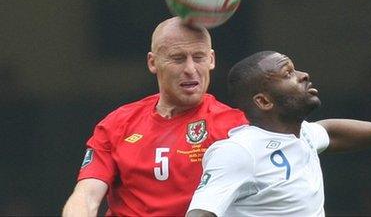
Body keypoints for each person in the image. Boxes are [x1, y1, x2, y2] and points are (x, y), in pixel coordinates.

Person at [187, 51, 371, 217]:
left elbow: (332, 131)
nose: (304, 75)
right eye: (288, 73)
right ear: (264, 101)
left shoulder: (302, 136)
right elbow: (201, 212)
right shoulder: (238, 151)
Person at [62, 17, 249, 216]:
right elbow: (86, 196)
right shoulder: (117, 124)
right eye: (178, 58)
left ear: (211, 59)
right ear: (153, 62)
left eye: (199, 57)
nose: (190, 69)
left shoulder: (236, 128)